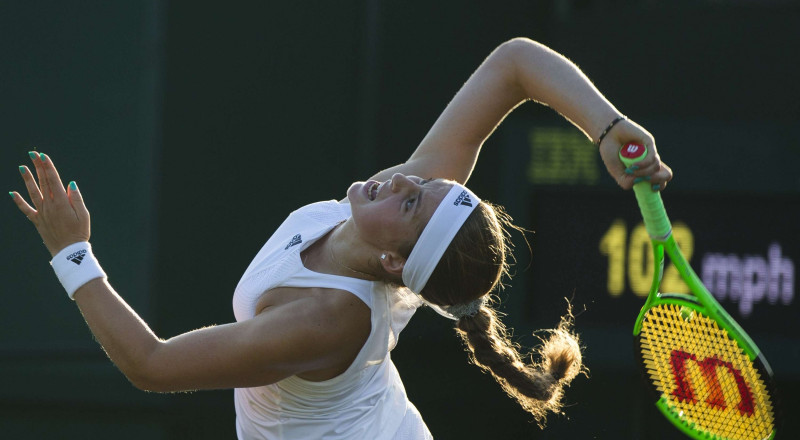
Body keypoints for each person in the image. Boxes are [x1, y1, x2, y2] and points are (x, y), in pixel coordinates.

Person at [9, 37, 672, 439]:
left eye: (413, 197)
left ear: (394, 259)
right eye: (423, 182)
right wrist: (607, 127)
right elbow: (514, 65)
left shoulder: (324, 321)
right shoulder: (389, 221)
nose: (402, 179)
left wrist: (73, 253)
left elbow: (150, 366)